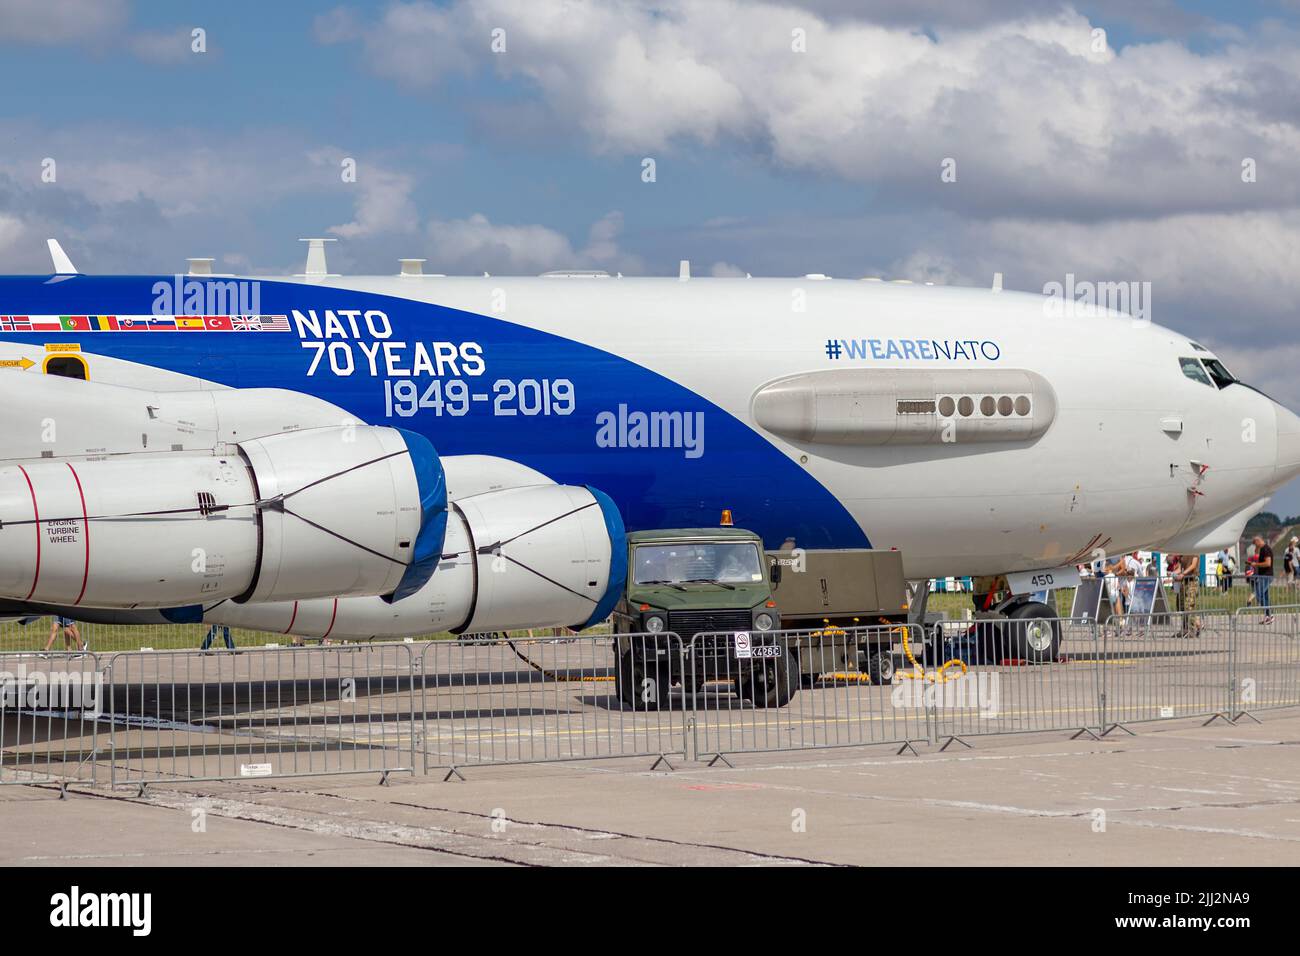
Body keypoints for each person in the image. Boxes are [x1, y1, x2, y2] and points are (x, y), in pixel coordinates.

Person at [1170, 553, 1202, 638]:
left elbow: (1193, 565)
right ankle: (1184, 629)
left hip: (1192, 581)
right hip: (1184, 582)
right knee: (1181, 606)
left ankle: (1191, 630)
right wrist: (1172, 573)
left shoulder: (1195, 552)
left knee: (1189, 606)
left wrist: (1183, 574)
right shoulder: (1183, 553)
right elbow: (1180, 568)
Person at [1248, 535, 1274, 624]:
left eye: (1255, 544)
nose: (1255, 546)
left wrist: (1256, 565)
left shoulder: (1265, 549)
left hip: (1266, 576)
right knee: (1265, 596)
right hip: (1264, 576)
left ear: (1258, 541)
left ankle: (1269, 614)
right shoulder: (1263, 549)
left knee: (1259, 594)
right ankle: (1268, 616)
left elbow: (1268, 563)